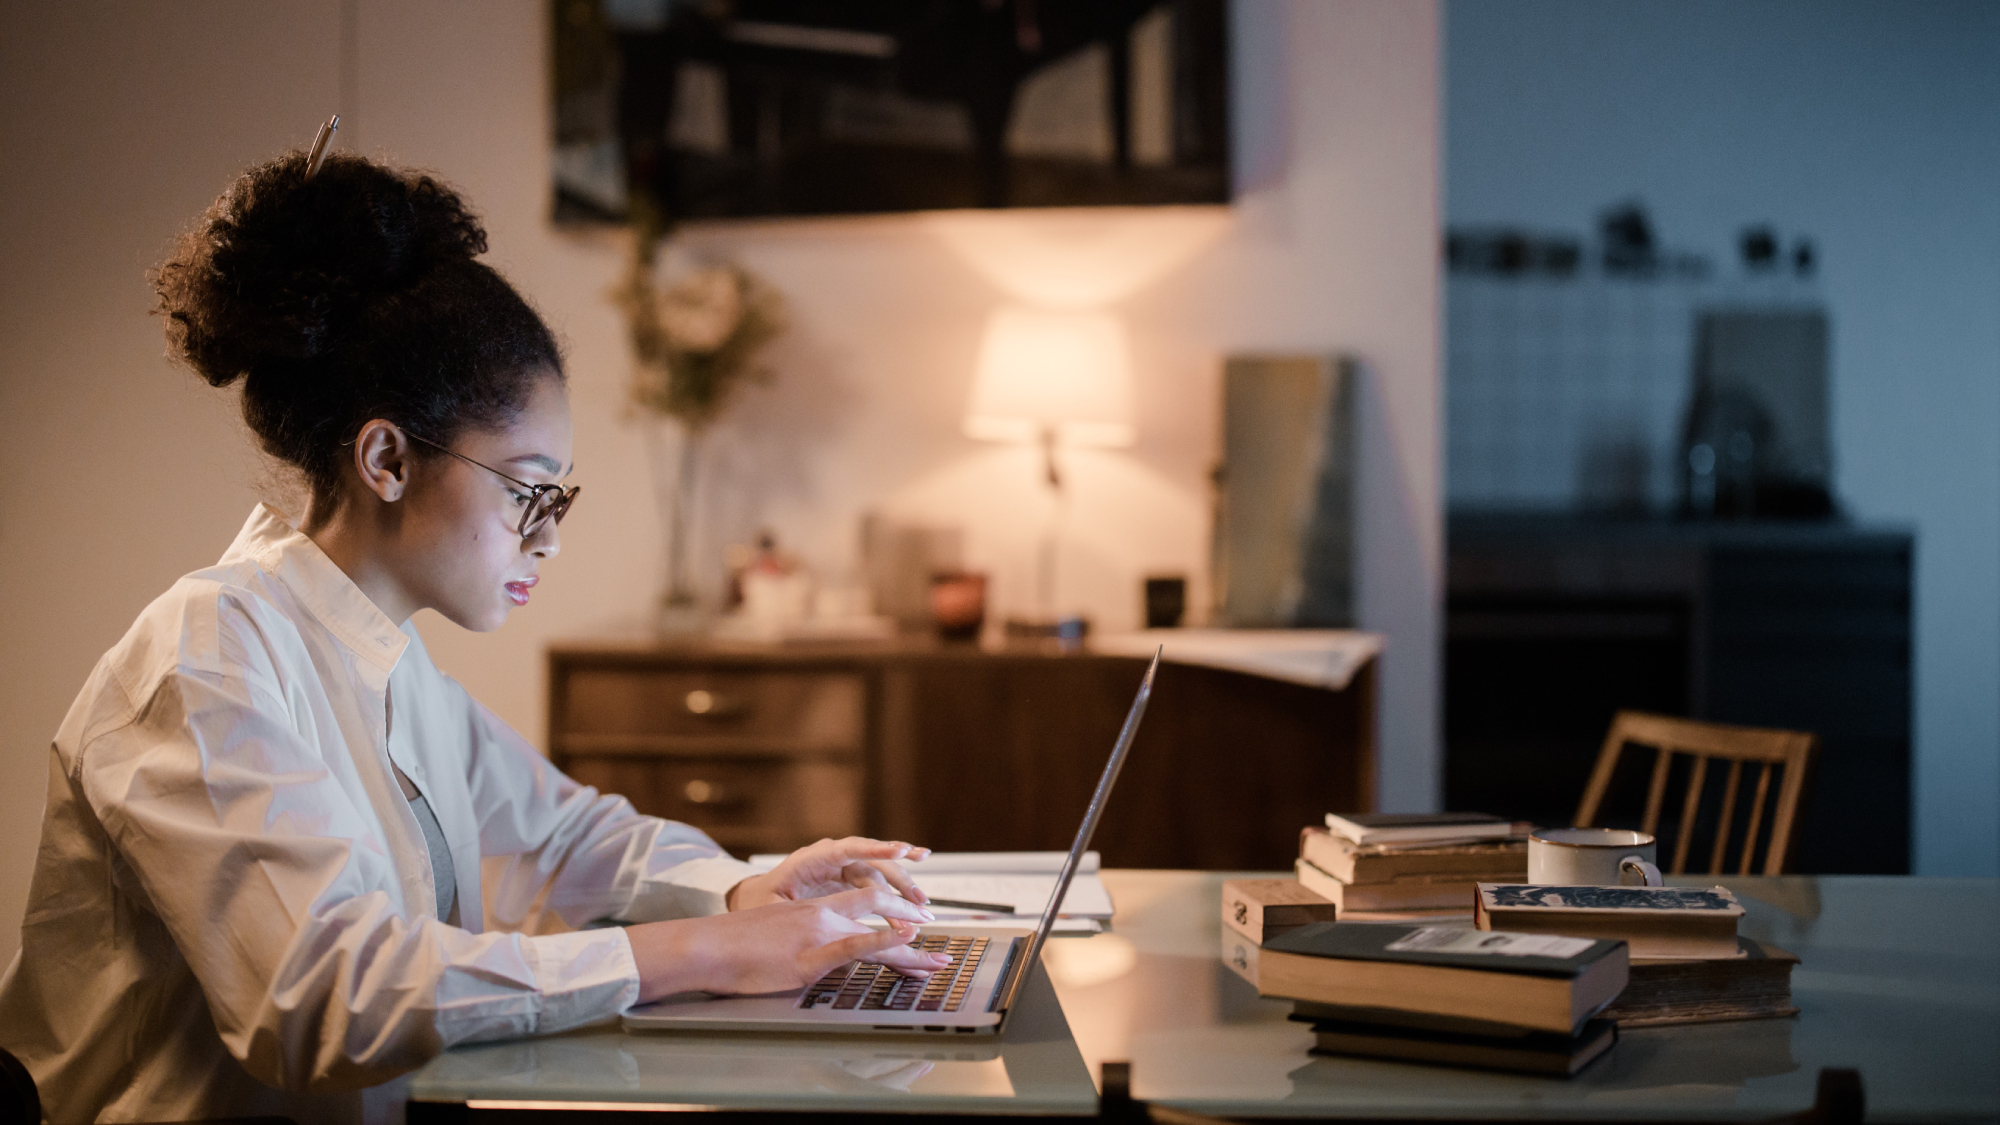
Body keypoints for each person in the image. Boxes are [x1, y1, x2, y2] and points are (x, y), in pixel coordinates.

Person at [0, 149, 948, 1125]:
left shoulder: (385, 656)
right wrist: (702, 953)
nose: (549, 536)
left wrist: (746, 892)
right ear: (386, 459)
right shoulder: (206, 655)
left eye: (559, 496)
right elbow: (323, 998)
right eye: (527, 490)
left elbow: (568, 836)